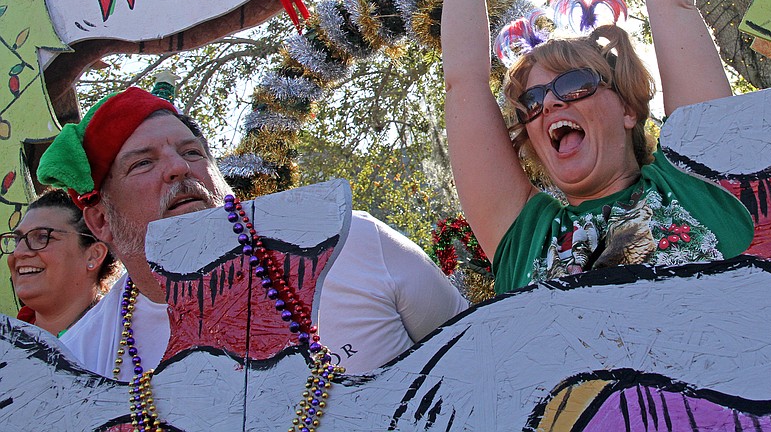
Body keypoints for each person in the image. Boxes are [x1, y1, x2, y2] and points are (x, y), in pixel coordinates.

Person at [410, 0, 754, 294]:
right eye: (531, 102)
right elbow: (464, 83)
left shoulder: (698, 181)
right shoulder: (525, 239)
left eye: (573, 84)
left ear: (628, 109)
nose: (548, 104)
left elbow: (676, 8)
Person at [35, 86, 469, 380]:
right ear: (101, 222)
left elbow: (480, 364)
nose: (180, 168)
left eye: (192, 152)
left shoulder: (352, 242)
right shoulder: (82, 363)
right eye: (143, 163)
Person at [3, 189, 117, 337]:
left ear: (93, 256)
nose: (19, 252)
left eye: (43, 237)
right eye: (18, 240)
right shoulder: (8, 341)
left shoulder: (123, 343)